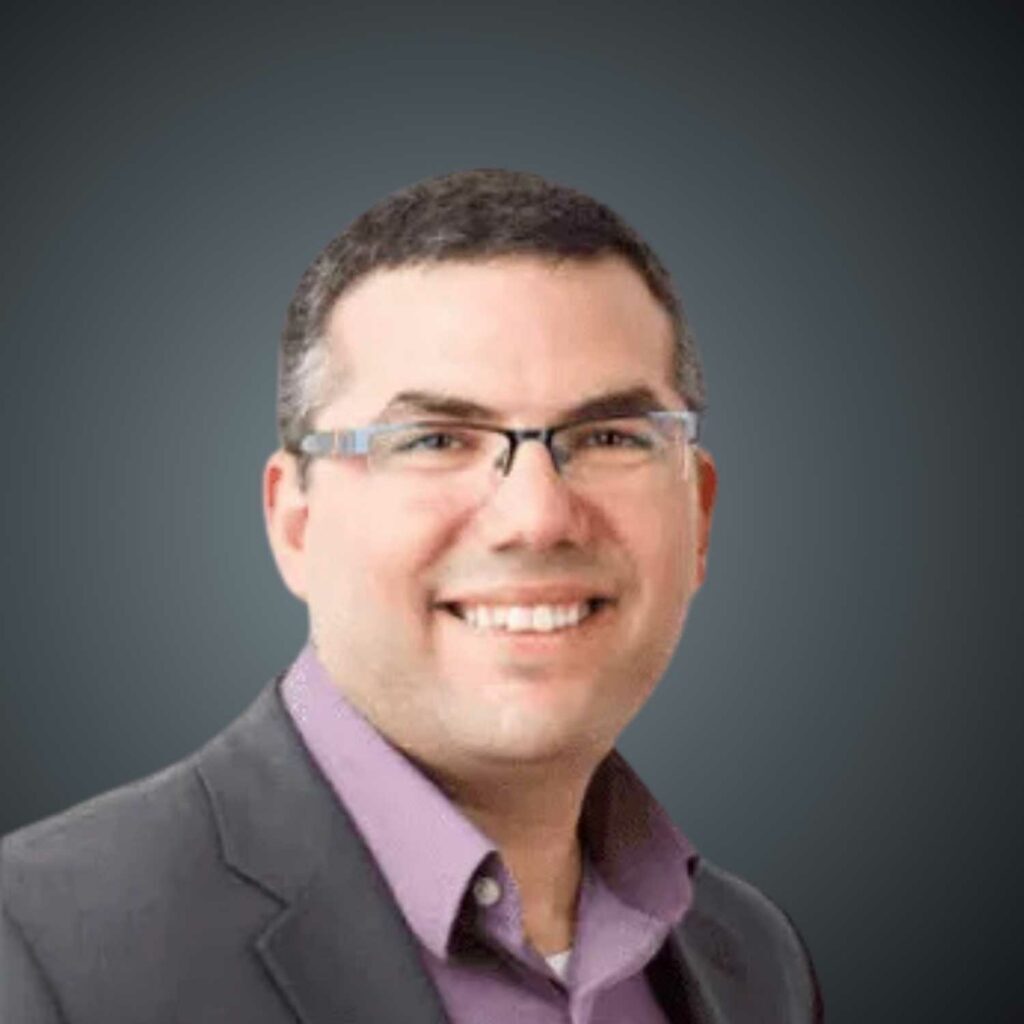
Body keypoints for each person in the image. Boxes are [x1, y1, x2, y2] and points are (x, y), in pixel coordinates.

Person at [1, 169, 822, 1022]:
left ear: (699, 516)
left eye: (610, 435)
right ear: (294, 523)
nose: (536, 518)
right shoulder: (37, 948)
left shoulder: (756, 961)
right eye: (435, 439)